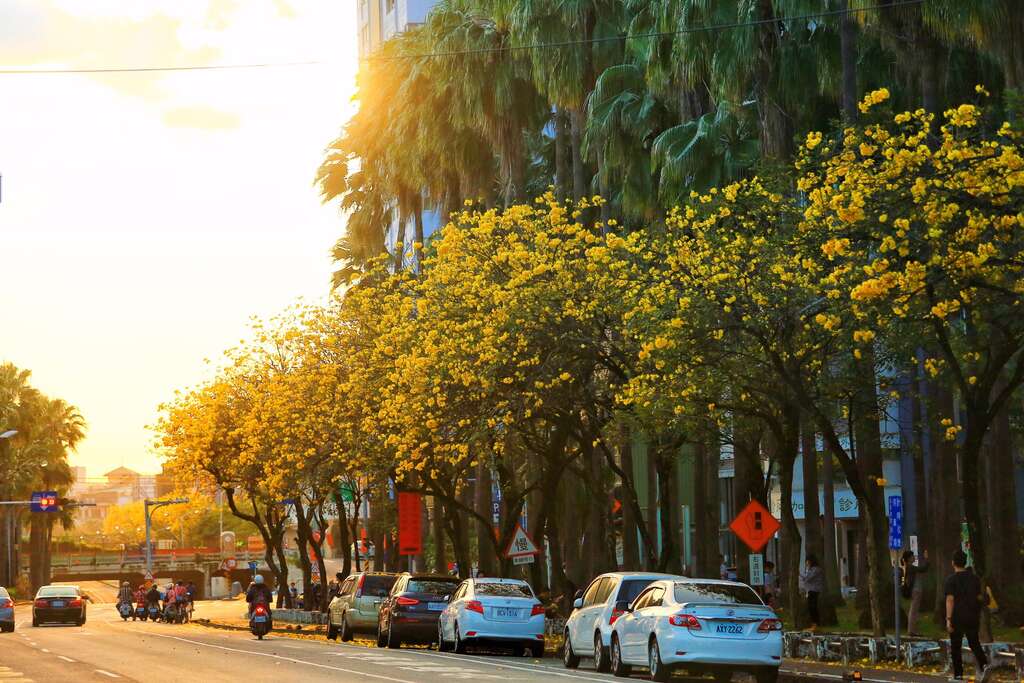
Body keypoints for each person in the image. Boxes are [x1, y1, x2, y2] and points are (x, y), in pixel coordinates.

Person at [945, 550, 989, 681]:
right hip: (972, 615)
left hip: (957, 616)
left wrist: (948, 619)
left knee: (956, 646)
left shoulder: (950, 580)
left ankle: (958, 674)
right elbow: (979, 596)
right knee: (974, 642)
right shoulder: (974, 578)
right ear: (965, 562)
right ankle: (984, 664)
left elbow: (950, 600)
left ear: (953, 563)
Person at [901, 549, 929, 635]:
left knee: (914, 610)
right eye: (912, 556)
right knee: (913, 610)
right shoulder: (910, 567)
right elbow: (923, 569)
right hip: (915, 591)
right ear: (909, 558)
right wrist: (926, 559)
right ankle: (912, 630)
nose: (914, 558)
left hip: (915, 591)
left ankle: (912, 630)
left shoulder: (908, 567)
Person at [800, 555, 824, 629]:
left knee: (812, 607)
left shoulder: (815, 569)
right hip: (811, 590)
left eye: (807, 561)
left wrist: (803, 573)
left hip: (814, 590)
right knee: (811, 607)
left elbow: (808, 578)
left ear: (811, 561)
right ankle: (815, 623)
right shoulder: (811, 569)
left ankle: (815, 623)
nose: (806, 563)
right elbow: (806, 578)